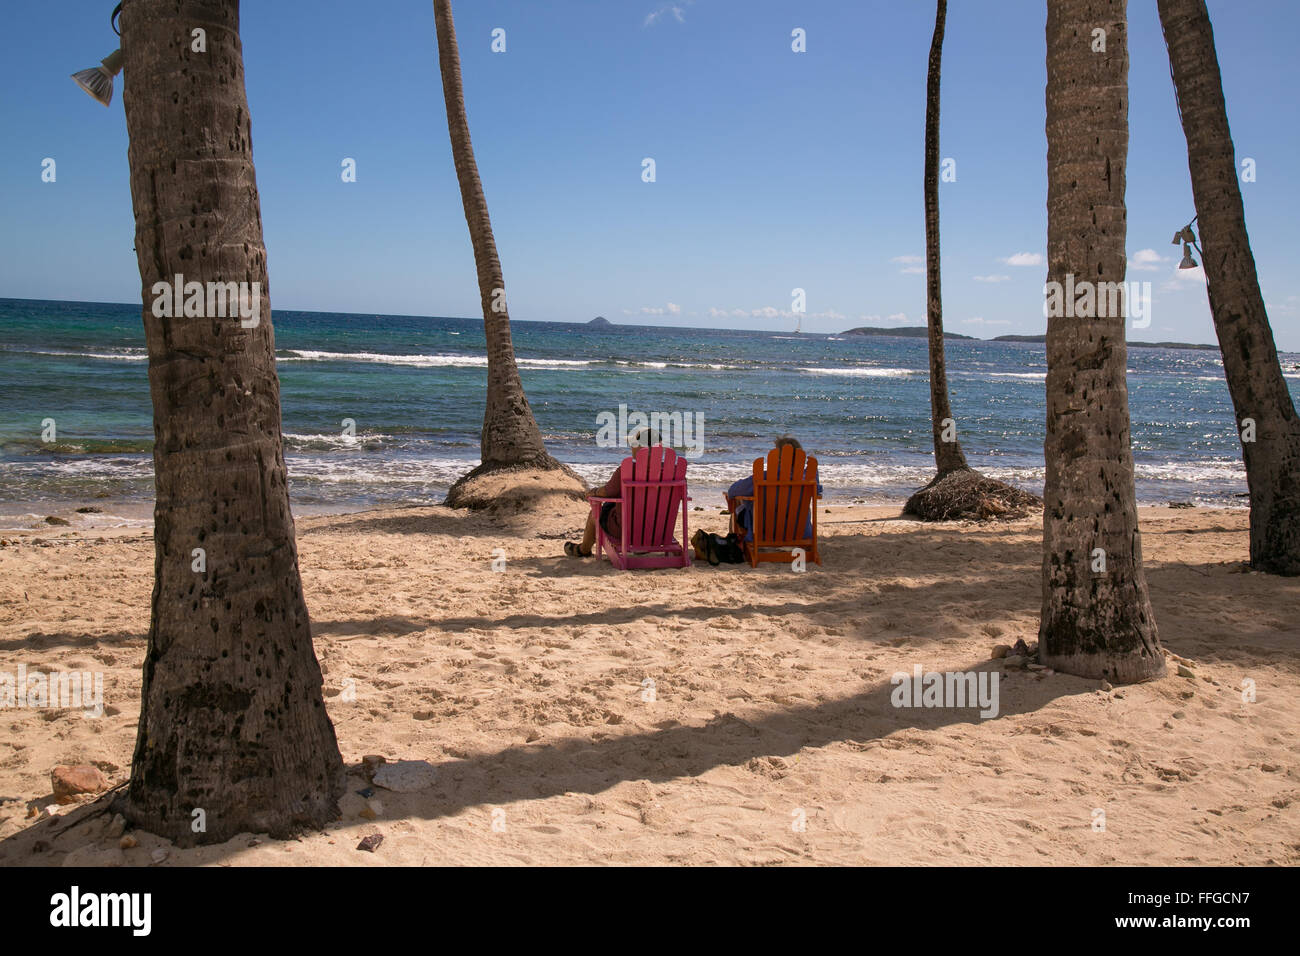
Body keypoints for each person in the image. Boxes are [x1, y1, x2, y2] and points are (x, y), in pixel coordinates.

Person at [565, 428, 658, 557]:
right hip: (658, 531)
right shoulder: (673, 473)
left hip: (625, 530)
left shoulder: (626, 471)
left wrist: (594, 492)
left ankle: (583, 550)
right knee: (610, 507)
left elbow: (608, 492)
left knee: (595, 513)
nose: (631, 447)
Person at [726, 435, 822, 542]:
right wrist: (814, 472)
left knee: (739, 500)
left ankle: (733, 543)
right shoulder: (808, 480)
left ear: (777, 456)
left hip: (764, 532)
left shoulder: (764, 477)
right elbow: (818, 491)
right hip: (800, 533)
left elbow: (732, 491)